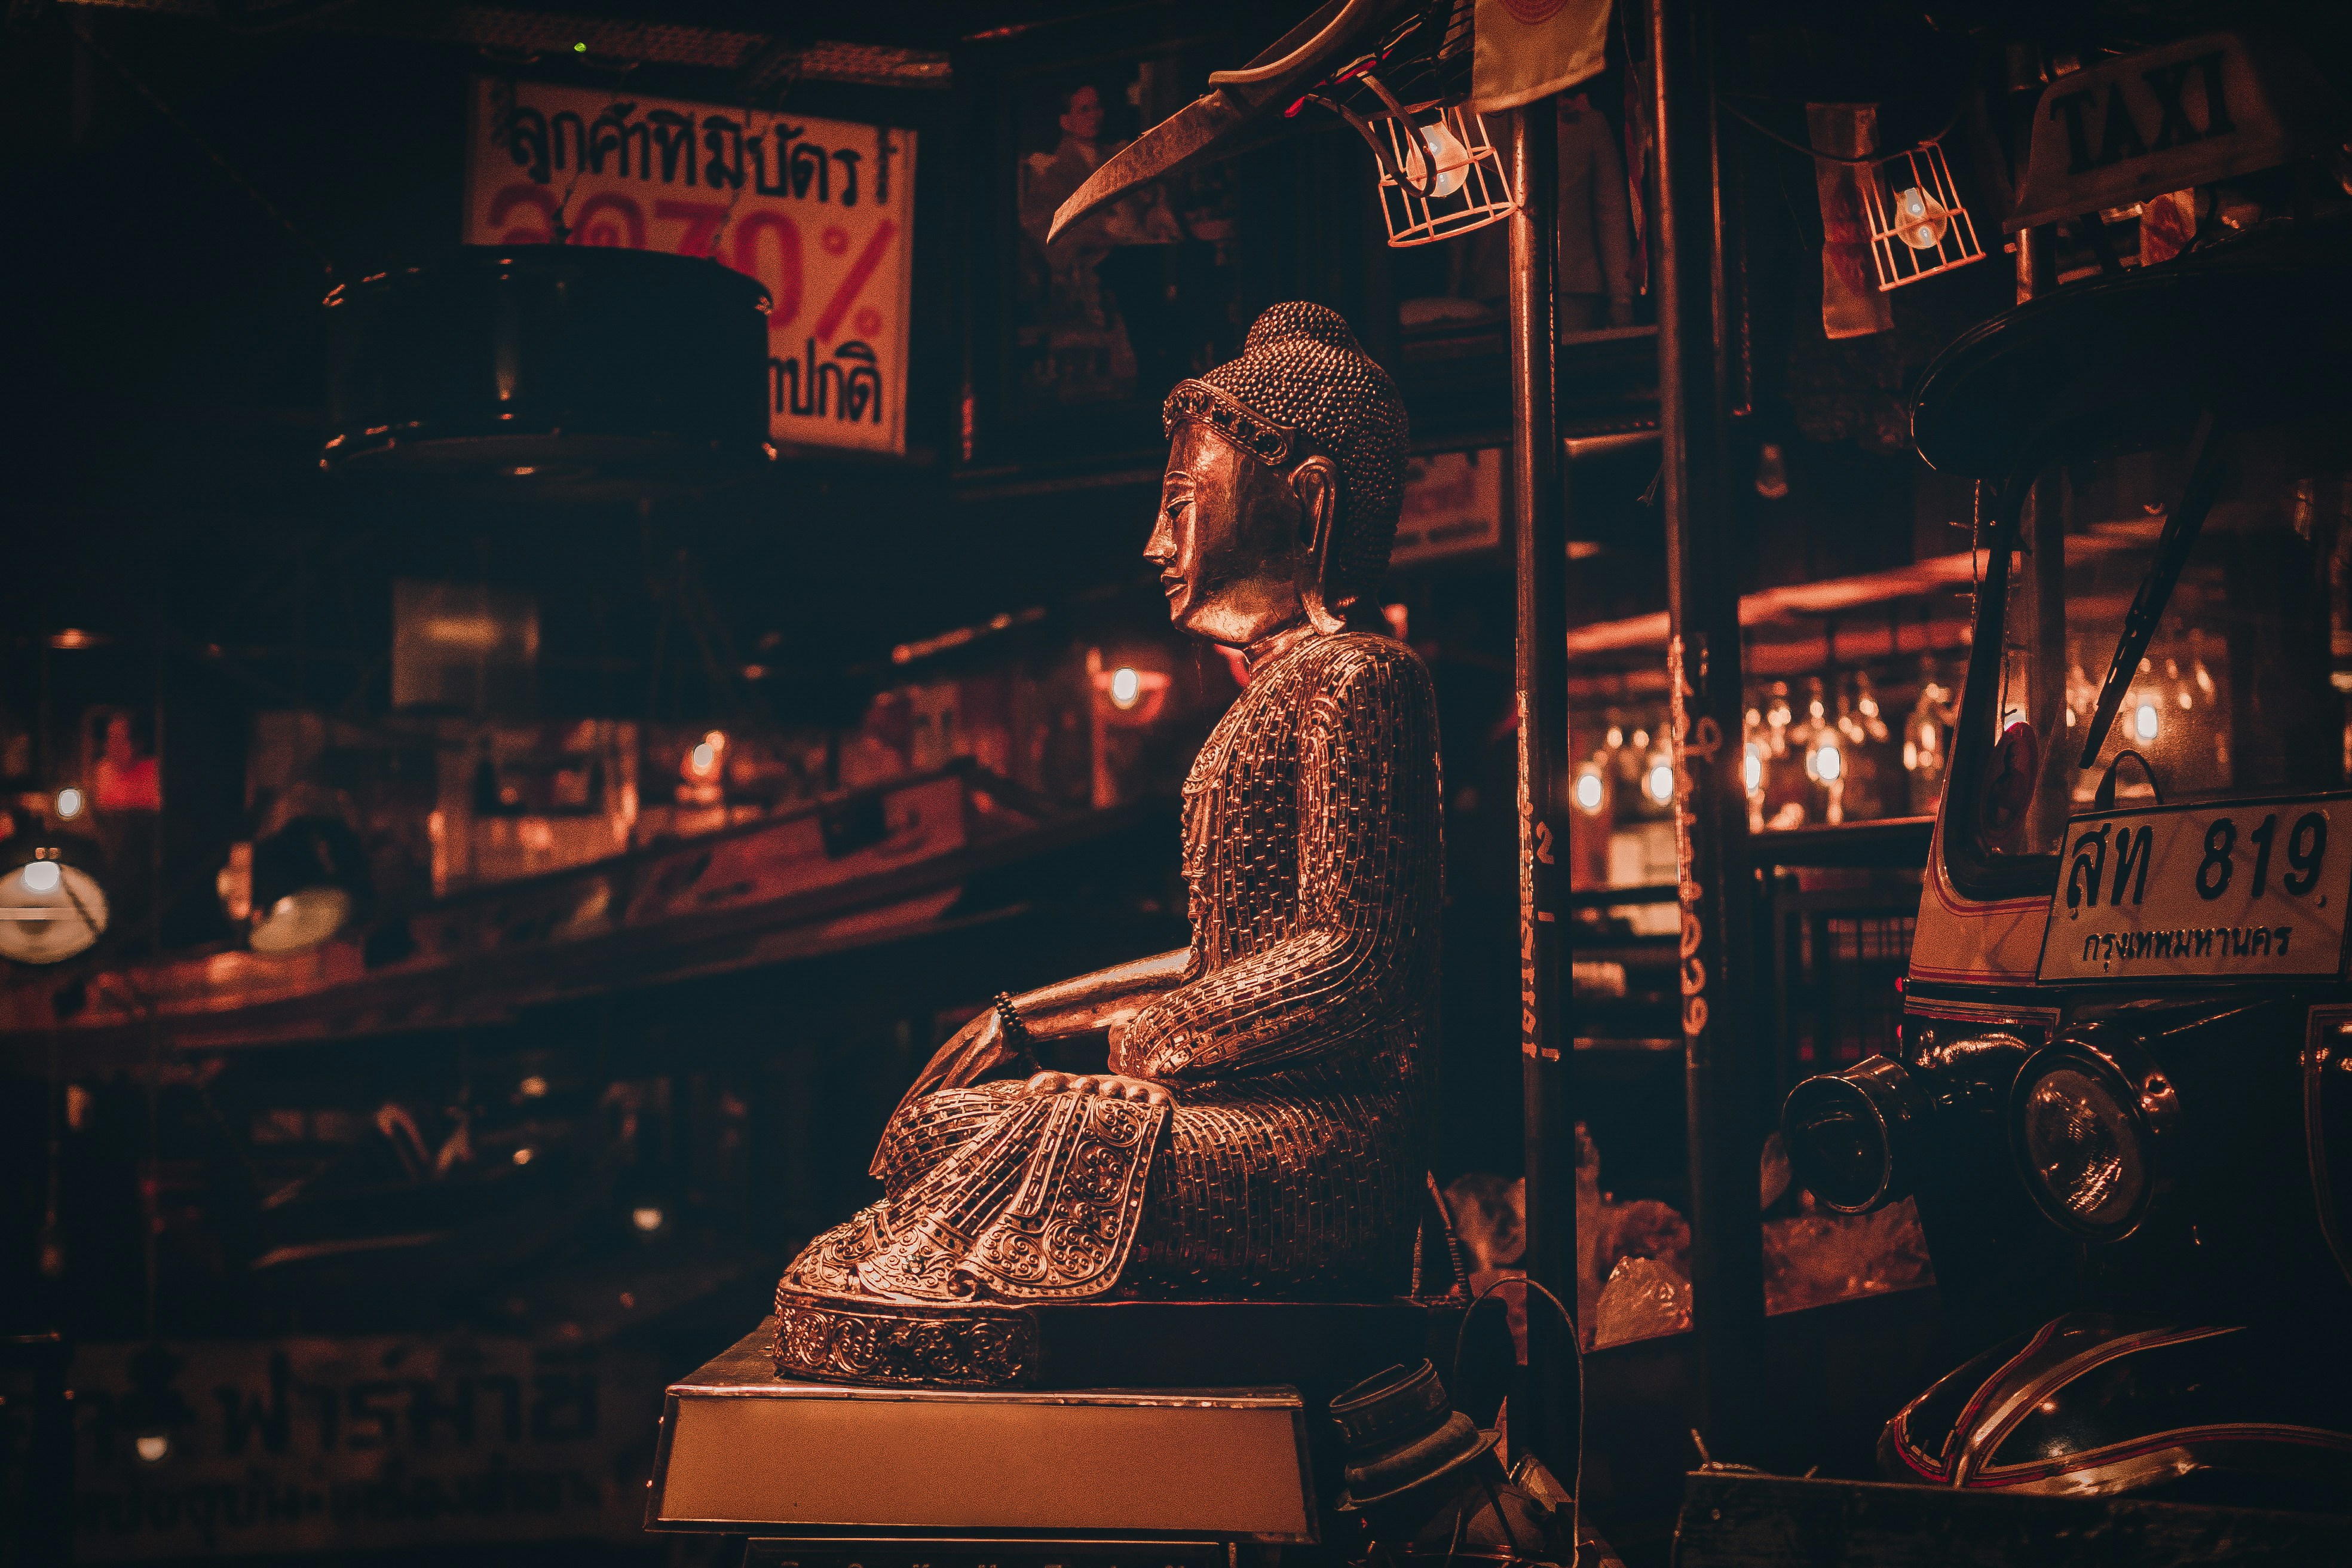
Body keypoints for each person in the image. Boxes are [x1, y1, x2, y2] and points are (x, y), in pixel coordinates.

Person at [775, 304, 1443, 1381]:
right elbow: (1224, 956)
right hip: (1238, 1100)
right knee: (947, 1129)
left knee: (1049, 1142)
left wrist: (1146, 1046)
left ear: (1308, 500)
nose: (1156, 543)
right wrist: (1022, 1022)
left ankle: (961, 1327)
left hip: (1325, 1138)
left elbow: (1355, 960)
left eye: (1183, 506)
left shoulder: (1364, 678)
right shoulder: (1273, 693)